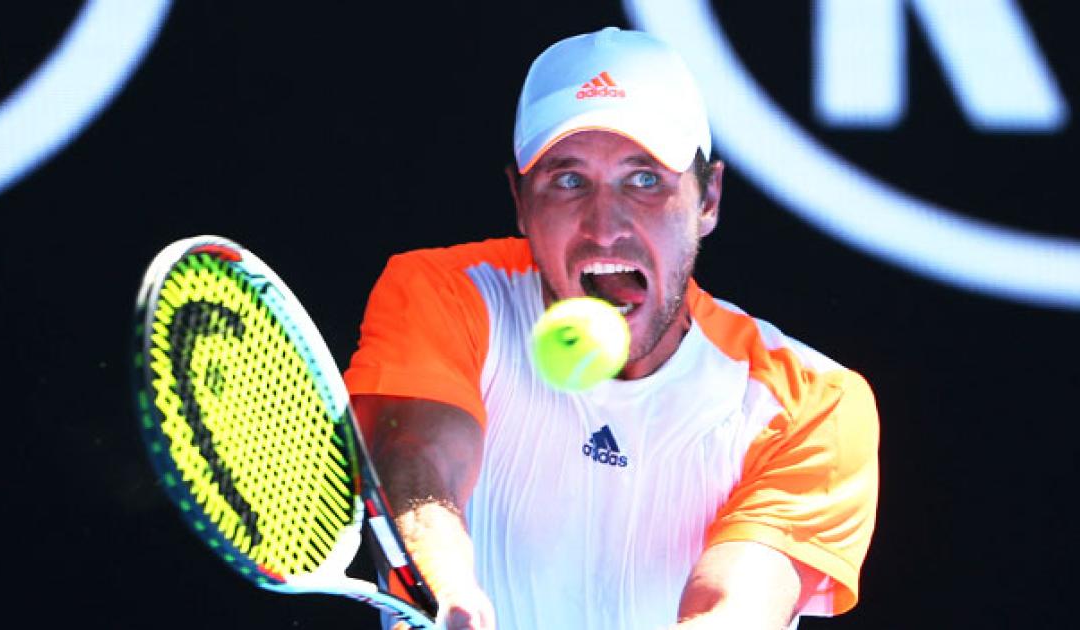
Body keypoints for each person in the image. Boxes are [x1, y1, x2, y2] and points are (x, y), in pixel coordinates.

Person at [344, 26, 879, 630]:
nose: (604, 227)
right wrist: (447, 591)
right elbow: (420, 463)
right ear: (521, 201)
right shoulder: (445, 294)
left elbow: (732, 610)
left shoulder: (811, 399)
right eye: (569, 180)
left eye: (644, 178)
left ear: (708, 198)